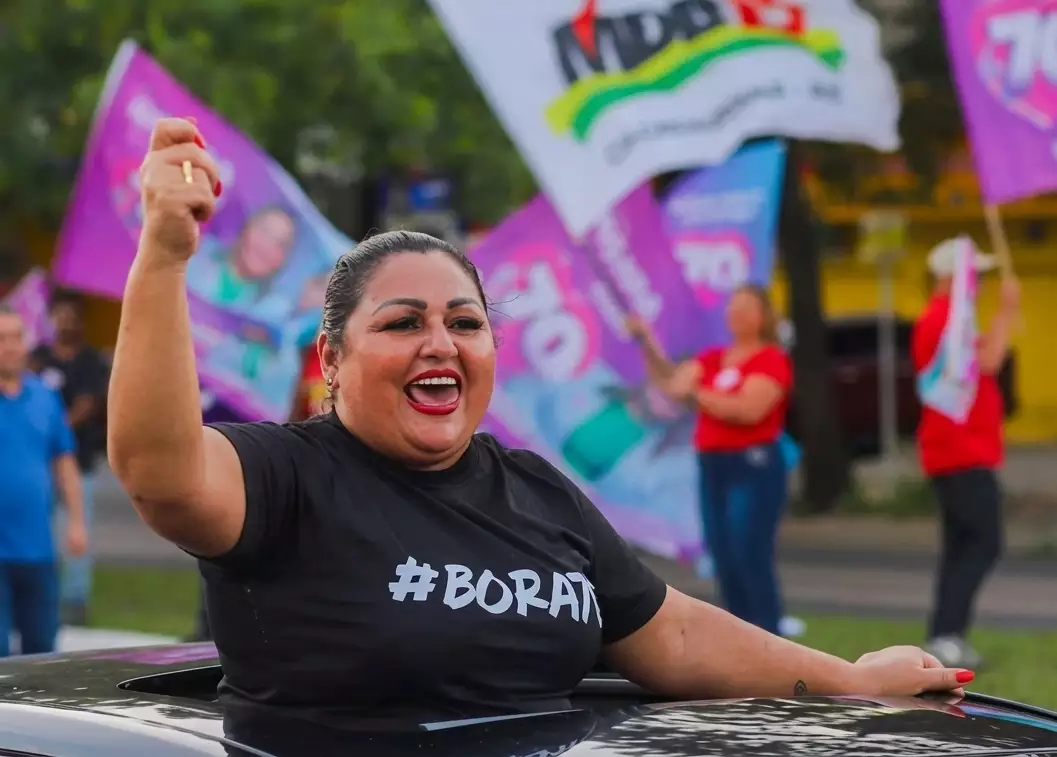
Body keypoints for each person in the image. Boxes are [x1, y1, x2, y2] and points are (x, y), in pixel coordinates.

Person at [108, 118, 972, 730]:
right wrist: (163, 257)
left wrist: (849, 680)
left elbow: (666, 630)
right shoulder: (286, 476)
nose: (439, 342)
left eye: (465, 322)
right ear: (331, 360)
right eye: (402, 322)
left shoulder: (535, 491)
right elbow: (161, 468)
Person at [627, 285, 791, 637]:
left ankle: (770, 633)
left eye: (747, 308)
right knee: (725, 554)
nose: (738, 314)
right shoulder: (714, 358)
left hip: (753, 466)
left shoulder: (770, 360)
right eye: (734, 307)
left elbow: (748, 410)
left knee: (750, 553)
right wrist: (646, 342)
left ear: (764, 316)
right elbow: (673, 386)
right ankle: (742, 636)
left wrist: (697, 394)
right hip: (713, 465)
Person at [913, 238, 1019, 669]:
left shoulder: (950, 319)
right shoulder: (944, 319)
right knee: (982, 540)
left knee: (963, 543)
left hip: (961, 449)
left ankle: (946, 632)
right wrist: (1008, 312)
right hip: (960, 450)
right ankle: (946, 633)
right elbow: (988, 362)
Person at [0, 304, 88, 656]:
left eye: (16, 337)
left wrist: (77, 522)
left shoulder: (45, 398)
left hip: (37, 548)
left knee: (42, 653)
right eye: (1, 338)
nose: (10, 345)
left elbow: (64, 463)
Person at [28, 290, 109, 626]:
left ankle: (75, 602)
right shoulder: (39, 357)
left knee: (76, 529)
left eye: (71, 315)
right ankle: (36, 593)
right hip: (39, 464)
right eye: (59, 314)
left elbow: (88, 404)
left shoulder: (90, 361)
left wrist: (54, 428)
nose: (65, 321)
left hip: (78, 461)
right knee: (37, 529)